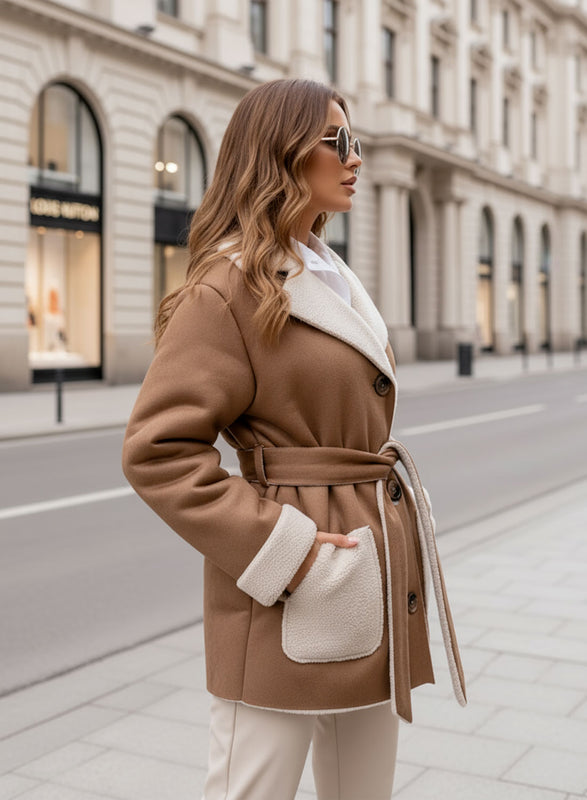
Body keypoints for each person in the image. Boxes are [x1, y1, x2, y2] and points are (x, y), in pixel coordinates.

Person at [122, 78, 466, 800]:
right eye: (335, 142)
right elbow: (158, 451)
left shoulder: (331, 275)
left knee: (363, 792)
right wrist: (291, 551)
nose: (354, 158)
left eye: (356, 142)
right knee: (253, 790)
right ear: (279, 153)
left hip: (365, 573)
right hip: (290, 586)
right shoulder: (228, 288)